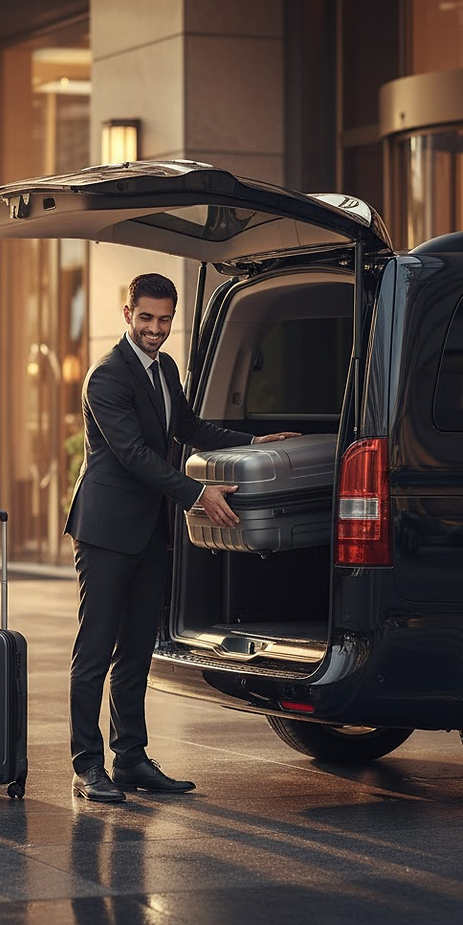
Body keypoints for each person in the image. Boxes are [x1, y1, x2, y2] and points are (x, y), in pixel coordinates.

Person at [65, 272, 298, 802]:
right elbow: (133, 455)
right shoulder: (106, 376)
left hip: (150, 530)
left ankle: (130, 759)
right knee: (95, 650)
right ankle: (87, 765)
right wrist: (197, 493)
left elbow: (188, 427)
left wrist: (255, 440)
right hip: (105, 530)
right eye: (145, 317)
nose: (155, 328)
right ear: (127, 314)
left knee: (139, 648)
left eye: (165, 319)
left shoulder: (165, 367)